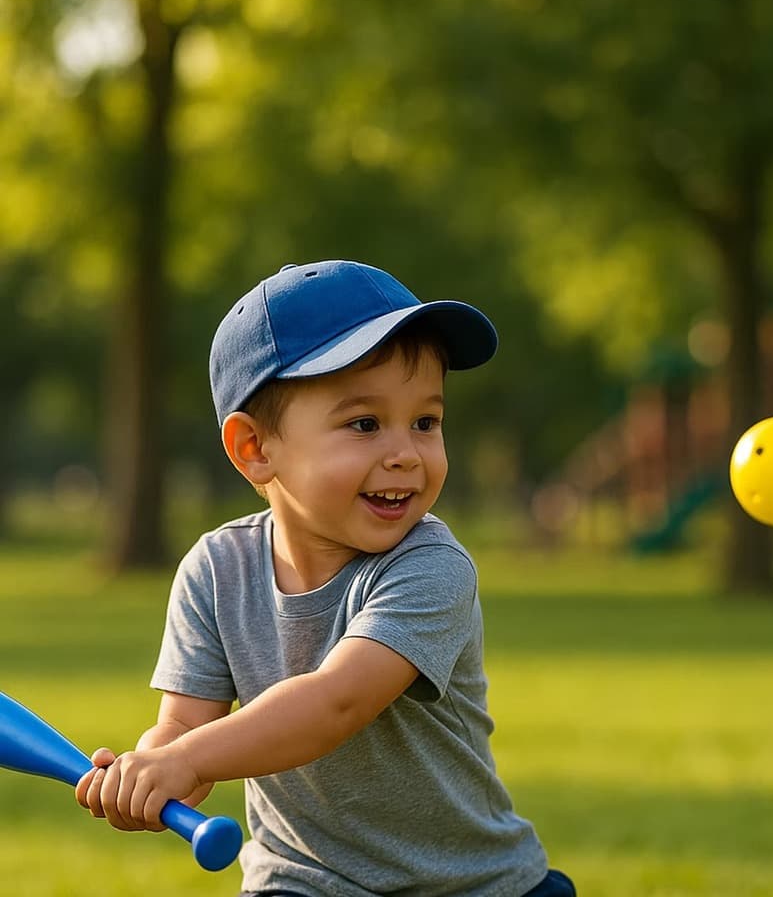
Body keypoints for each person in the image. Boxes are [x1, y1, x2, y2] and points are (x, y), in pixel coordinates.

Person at [76, 260, 576, 897]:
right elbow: (186, 730)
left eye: (426, 421)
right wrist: (151, 767)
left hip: (471, 884)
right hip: (301, 879)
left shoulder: (430, 567)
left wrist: (186, 758)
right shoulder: (215, 569)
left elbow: (336, 702)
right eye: (364, 424)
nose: (405, 452)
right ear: (254, 448)